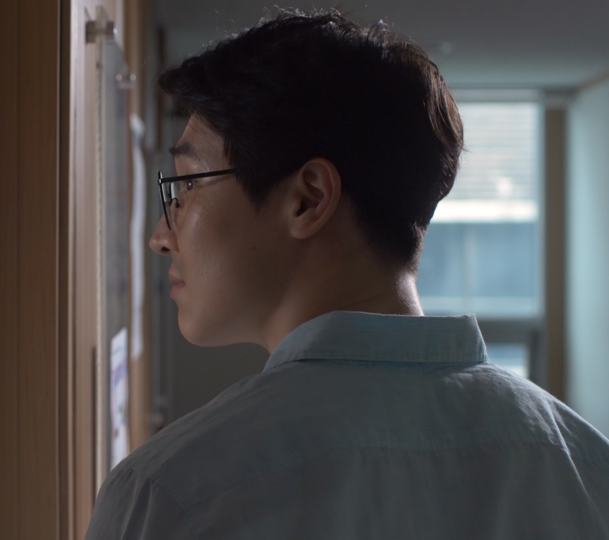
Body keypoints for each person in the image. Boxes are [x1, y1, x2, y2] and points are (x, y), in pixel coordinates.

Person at [85, 9, 609, 539]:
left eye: (189, 184)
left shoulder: (173, 493)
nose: (160, 235)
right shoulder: (583, 464)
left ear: (308, 198)